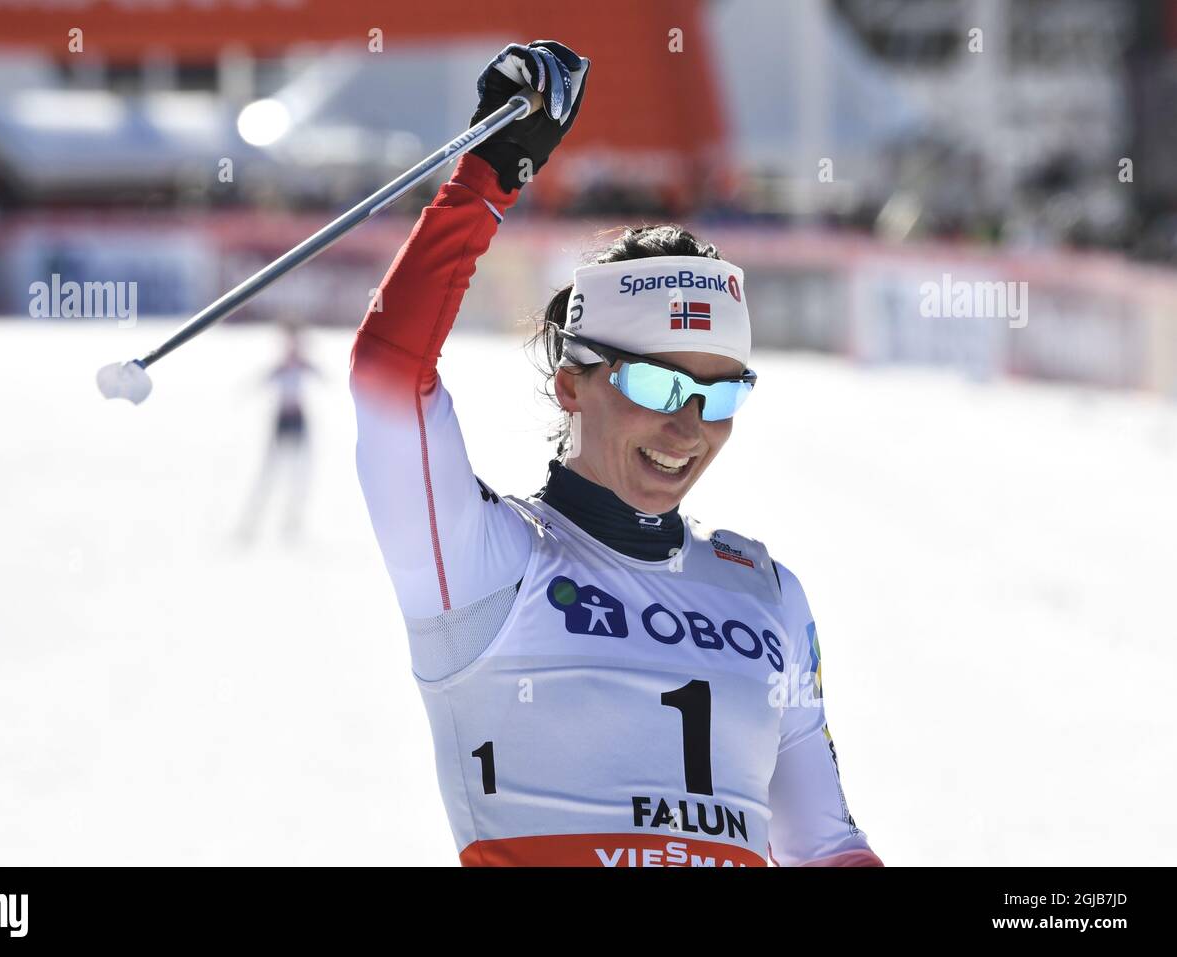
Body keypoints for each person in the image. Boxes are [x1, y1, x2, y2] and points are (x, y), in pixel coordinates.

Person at [350, 40, 882, 867]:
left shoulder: (769, 593)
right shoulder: (486, 563)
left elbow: (827, 847)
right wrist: (490, 173)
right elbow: (390, 374)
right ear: (572, 385)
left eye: (721, 396)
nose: (690, 429)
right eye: (661, 388)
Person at [236, 324, 319, 542]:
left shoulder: (302, 365)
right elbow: (260, 381)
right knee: (269, 471)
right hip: (282, 421)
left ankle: (292, 522)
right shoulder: (281, 367)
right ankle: (251, 522)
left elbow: (323, 376)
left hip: (299, 421)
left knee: (299, 473)